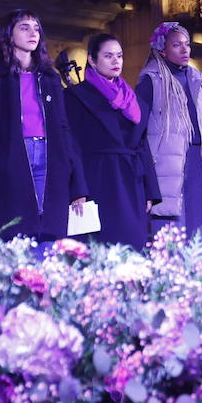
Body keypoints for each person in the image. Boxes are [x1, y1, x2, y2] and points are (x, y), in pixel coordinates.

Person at [0, 10, 86, 247]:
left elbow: (64, 128)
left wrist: (75, 178)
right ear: (9, 34)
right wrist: (2, 160)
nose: (32, 33)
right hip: (15, 157)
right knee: (16, 233)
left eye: (36, 28)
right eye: (24, 27)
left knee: (50, 232)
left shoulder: (49, 78)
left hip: (50, 158)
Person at [64, 33, 159, 249]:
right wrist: (77, 189)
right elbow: (71, 145)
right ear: (92, 59)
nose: (116, 61)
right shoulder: (75, 97)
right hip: (97, 180)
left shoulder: (133, 100)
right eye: (108, 56)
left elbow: (142, 145)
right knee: (99, 248)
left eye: (119, 55)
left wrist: (150, 190)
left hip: (132, 183)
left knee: (132, 248)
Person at [137, 22, 202, 241]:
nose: (184, 49)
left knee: (195, 232)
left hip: (197, 159)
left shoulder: (198, 80)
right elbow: (139, 130)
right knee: (170, 232)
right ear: (162, 49)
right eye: (176, 45)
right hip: (166, 162)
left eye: (187, 44)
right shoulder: (151, 80)